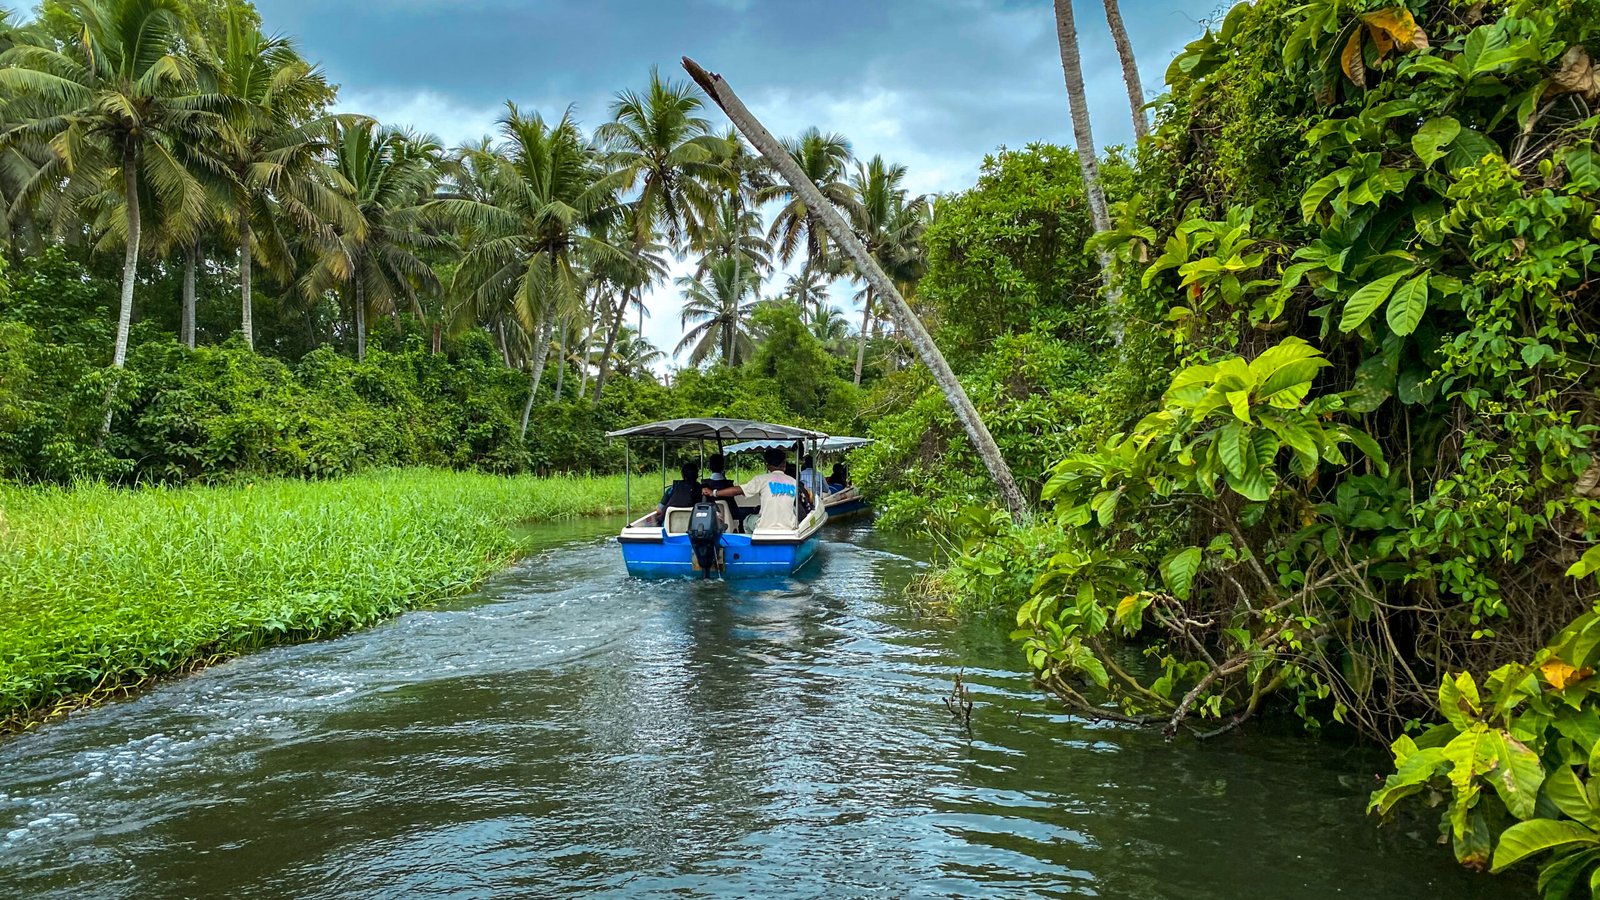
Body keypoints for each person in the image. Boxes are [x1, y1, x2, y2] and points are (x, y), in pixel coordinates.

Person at [704, 447, 801, 532]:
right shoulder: (793, 482)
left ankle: (753, 544)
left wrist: (714, 492)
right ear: (784, 463)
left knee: (747, 520)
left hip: (765, 527)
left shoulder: (761, 479)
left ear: (767, 465)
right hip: (788, 527)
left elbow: (739, 490)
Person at [703, 453, 749, 531]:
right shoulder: (729, 485)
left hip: (709, 519)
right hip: (732, 517)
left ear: (709, 467)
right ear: (723, 466)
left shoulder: (704, 485)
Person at [653, 461, 701, 526]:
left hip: (668, 527)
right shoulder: (703, 491)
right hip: (693, 526)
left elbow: (659, 510)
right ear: (697, 475)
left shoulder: (671, 489)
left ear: (683, 475)